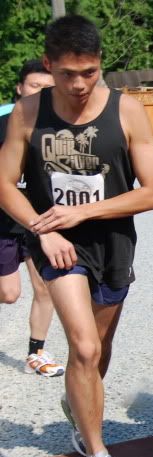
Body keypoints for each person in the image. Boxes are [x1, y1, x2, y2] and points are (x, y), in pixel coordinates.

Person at [0, 15, 153, 457]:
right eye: (68, 73)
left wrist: (85, 213)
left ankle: (78, 405)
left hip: (112, 244)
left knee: (98, 350)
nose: (78, 84)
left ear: (100, 66)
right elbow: (5, 184)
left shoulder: (128, 111)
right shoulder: (28, 114)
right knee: (85, 348)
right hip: (56, 246)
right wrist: (41, 228)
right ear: (49, 65)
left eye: (89, 72)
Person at [0, 60, 64, 377]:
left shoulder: (58, 126)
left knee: (46, 287)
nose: (41, 93)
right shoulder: (4, 122)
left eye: (48, 88)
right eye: (35, 86)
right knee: (9, 294)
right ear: (20, 88)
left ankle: (35, 353)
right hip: (4, 221)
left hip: (39, 221)